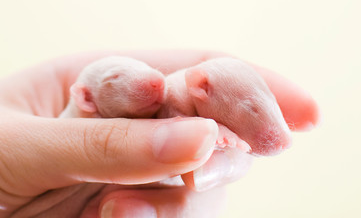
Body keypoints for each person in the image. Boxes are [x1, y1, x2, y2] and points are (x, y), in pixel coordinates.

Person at [0, 50, 319, 217]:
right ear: (86, 98)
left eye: (147, 70)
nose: (155, 80)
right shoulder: (73, 123)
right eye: (116, 79)